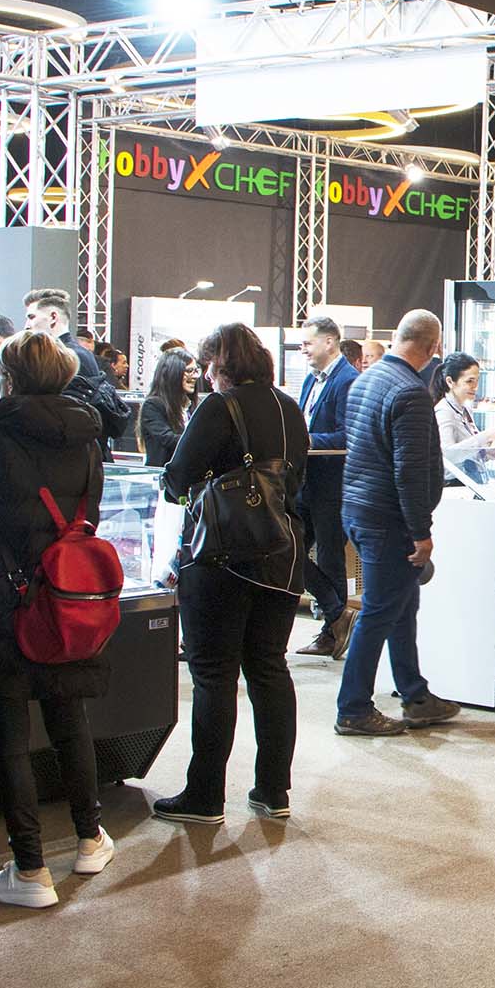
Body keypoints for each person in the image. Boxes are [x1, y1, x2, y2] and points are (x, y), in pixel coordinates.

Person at [0, 331, 117, 907]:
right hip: (65, 598)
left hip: (0, 598)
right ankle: (90, 839)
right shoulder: (87, 440)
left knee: (8, 738)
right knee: (69, 720)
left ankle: (31, 870)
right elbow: (87, 517)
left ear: (7, 377)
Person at [151, 323, 309, 825]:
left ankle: (204, 796)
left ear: (221, 364)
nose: (204, 375)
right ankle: (274, 790)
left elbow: (177, 479)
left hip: (222, 556)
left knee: (214, 675)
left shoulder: (219, 407)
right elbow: (297, 481)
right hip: (282, 554)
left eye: (208, 364)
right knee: (269, 668)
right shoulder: (289, 407)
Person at [335, 310, 462, 737]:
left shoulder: (365, 380)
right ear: (433, 347)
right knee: (378, 612)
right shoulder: (411, 393)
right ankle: (353, 708)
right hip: (388, 519)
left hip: (358, 511)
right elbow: (409, 470)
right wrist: (421, 531)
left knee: (402, 606)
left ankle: (415, 695)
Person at [291, 316, 360, 658]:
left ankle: (332, 632)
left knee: (331, 558)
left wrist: (307, 440)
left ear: (330, 342)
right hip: (306, 483)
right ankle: (337, 616)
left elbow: (351, 436)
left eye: (308, 343)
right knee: (288, 548)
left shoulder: (348, 381)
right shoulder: (310, 379)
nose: (303, 349)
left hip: (333, 485)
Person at [23, 288, 127, 453]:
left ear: (53, 317)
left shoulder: (70, 356)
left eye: (31, 317)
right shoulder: (72, 354)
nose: (27, 325)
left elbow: (72, 418)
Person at [432, 351, 495, 468]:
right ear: (450, 382)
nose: (475, 387)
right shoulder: (444, 411)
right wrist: (486, 436)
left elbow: (464, 450)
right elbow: (447, 455)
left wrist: (485, 454)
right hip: (454, 479)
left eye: (477, 380)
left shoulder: (465, 409)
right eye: (470, 381)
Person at [137, 348, 198, 465]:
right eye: (189, 371)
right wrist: (201, 441)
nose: (195, 376)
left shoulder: (191, 405)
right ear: (173, 373)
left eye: (196, 371)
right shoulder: (152, 405)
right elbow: (167, 439)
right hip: (164, 473)